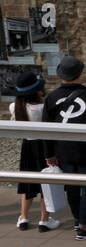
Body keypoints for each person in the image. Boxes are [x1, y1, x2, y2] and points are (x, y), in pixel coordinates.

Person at [40, 57, 86, 240]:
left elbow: (45, 129)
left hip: (63, 151)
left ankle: (78, 219)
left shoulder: (51, 98)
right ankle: (84, 227)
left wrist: (49, 154)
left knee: (72, 188)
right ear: (80, 74)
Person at [10, 71, 58, 232]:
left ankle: (23, 217)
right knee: (46, 184)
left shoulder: (15, 107)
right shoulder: (42, 108)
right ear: (36, 91)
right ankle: (44, 220)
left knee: (27, 184)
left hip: (27, 147)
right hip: (43, 147)